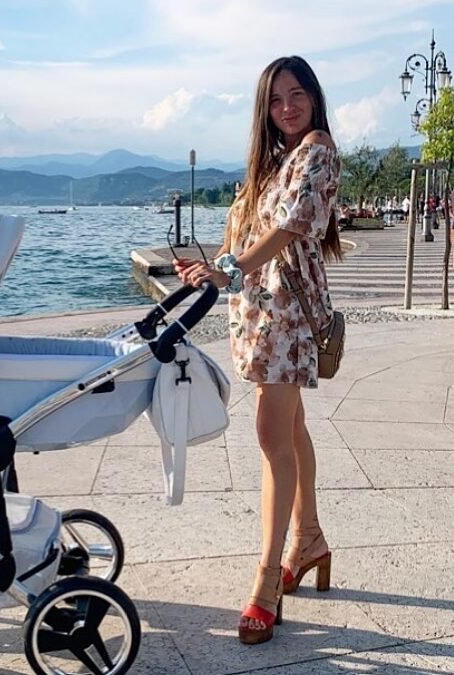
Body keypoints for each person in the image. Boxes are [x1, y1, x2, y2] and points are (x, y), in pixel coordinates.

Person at [174, 55, 343, 645]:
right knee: (290, 430)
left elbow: (292, 226)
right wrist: (212, 265)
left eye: (296, 95)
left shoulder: (316, 149)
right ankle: (309, 538)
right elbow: (250, 230)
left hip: (287, 315)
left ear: (313, 97)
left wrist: (230, 269)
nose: (287, 107)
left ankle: (268, 579)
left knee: (272, 437)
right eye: (275, 99)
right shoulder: (274, 162)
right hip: (262, 312)